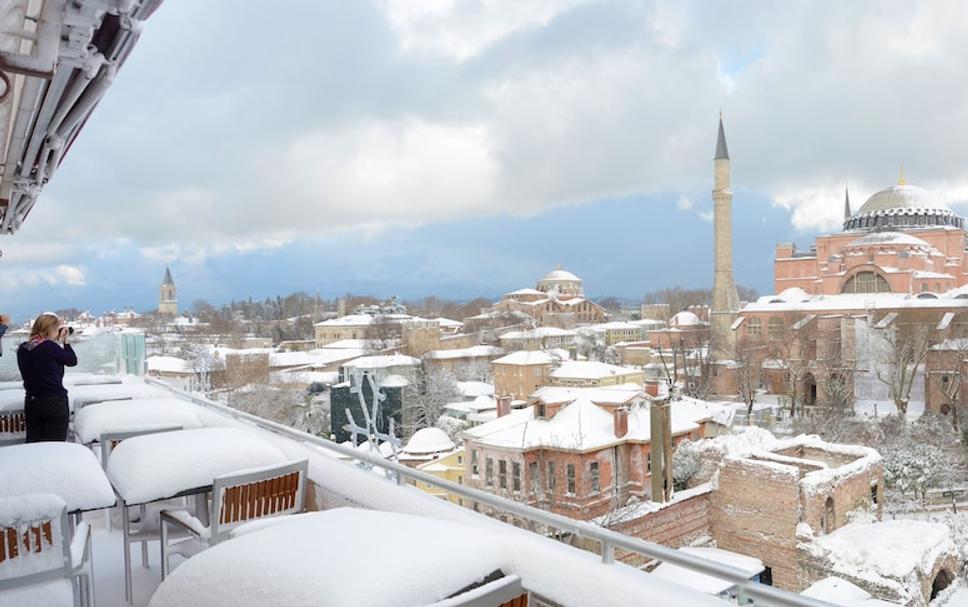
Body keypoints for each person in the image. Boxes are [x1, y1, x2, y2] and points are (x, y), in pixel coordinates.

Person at [17, 313, 77, 442]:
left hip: (32, 402)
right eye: (56, 330)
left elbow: (41, 357)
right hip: (54, 402)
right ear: (51, 330)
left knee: (34, 445)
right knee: (54, 446)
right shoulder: (50, 347)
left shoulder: (23, 348)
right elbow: (72, 360)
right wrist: (65, 342)